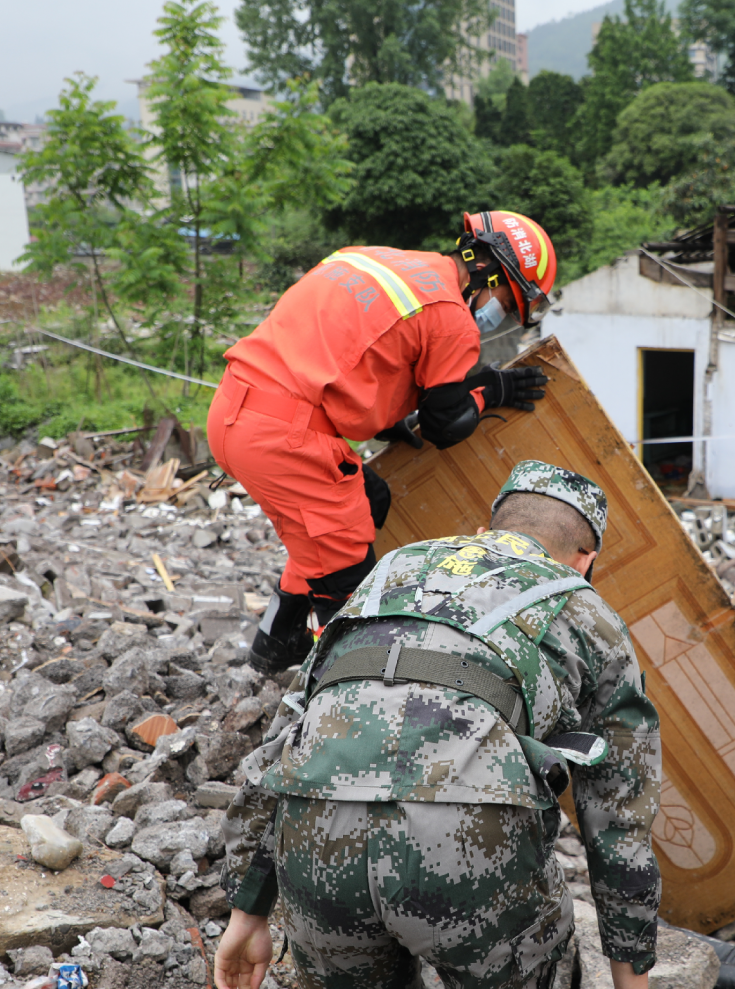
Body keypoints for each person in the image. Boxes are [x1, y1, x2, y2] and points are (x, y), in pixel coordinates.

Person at [212, 461, 661, 989]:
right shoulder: (582, 607)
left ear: (489, 527)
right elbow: (618, 819)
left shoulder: (391, 572)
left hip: (316, 832)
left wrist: (250, 909)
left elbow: (285, 737)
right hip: (468, 844)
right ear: (584, 556)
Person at [207, 211, 558, 677]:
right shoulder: (450, 316)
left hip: (235, 410)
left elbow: (352, 348)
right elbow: (445, 425)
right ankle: (346, 688)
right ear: (491, 272)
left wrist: (389, 416)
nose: (501, 317)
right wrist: (491, 390)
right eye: (508, 304)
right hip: (285, 437)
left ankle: (277, 641)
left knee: (366, 501)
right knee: (347, 577)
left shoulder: (375, 260)